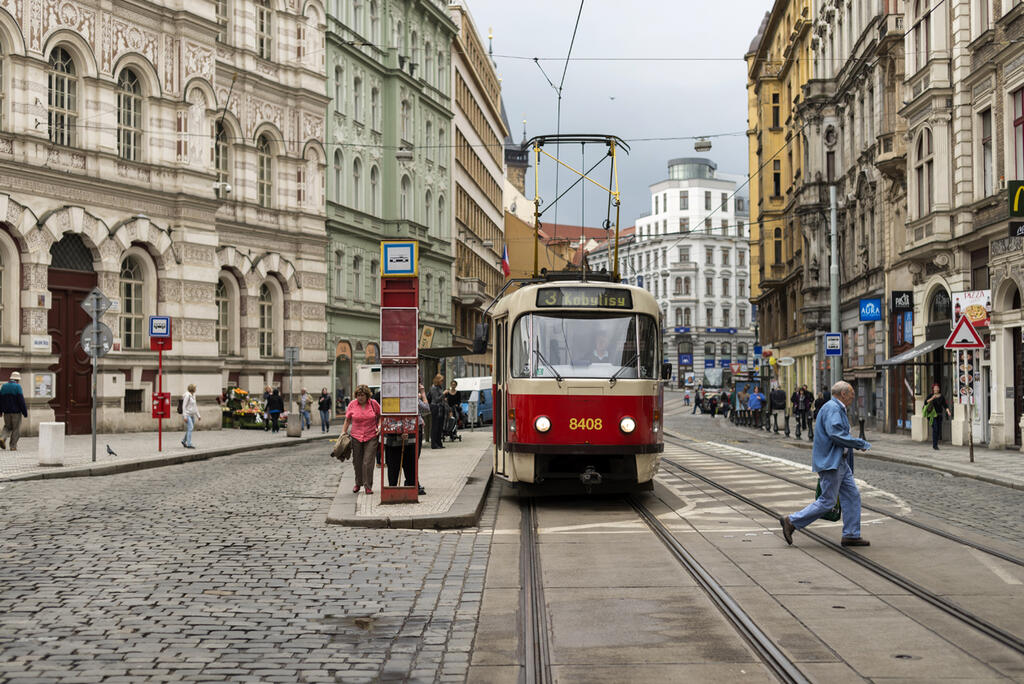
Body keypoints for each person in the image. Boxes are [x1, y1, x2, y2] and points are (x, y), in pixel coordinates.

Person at [780, 381, 872, 547]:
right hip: (832, 463)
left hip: (840, 462)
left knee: (852, 496)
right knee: (828, 501)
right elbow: (836, 434)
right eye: (851, 393)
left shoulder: (835, 408)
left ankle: (851, 534)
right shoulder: (833, 409)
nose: (853, 396)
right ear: (843, 394)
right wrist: (859, 443)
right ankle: (791, 521)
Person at [384, 384, 430, 495]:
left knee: (411, 462)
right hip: (395, 437)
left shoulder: (412, 399)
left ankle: (412, 484)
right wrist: (400, 431)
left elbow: (426, 409)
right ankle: (395, 488)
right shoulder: (390, 401)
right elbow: (388, 418)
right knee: (394, 465)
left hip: (410, 434)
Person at [341, 384, 381, 494]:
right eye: (358, 395)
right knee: (357, 461)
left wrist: (379, 426)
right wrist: (343, 433)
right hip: (356, 436)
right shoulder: (352, 405)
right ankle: (358, 483)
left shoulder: (373, 404)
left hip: (371, 435)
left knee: (367, 461)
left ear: (367, 395)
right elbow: (347, 420)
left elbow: (381, 415)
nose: (360, 397)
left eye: (362, 395)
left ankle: (368, 486)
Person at [0, 371, 28, 451]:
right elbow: (21, 401)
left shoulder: (4, 386)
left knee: (7, 427)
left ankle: (2, 438)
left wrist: (0, 411)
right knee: (16, 429)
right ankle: (13, 446)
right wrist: (24, 412)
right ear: (17, 380)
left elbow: (0, 400)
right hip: (16, 412)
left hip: (6, 412)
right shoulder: (17, 387)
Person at [924, 383, 952, 450]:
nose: (936, 389)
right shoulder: (930, 395)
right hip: (932, 415)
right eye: (935, 388)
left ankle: (935, 443)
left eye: (937, 388)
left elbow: (945, 405)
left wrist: (948, 411)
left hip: (939, 415)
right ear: (933, 389)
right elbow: (925, 402)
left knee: (938, 430)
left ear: (939, 389)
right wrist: (932, 398)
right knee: (935, 429)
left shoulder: (941, 396)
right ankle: (935, 445)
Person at [427, 374, 446, 449]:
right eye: (441, 380)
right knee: (435, 426)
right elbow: (436, 399)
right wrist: (443, 394)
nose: (442, 382)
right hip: (435, 408)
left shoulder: (439, 387)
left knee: (440, 426)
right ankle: (434, 444)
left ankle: (439, 443)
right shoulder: (434, 388)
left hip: (440, 408)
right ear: (437, 380)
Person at [181, 383, 201, 449]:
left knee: (190, 428)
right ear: (192, 388)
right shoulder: (187, 395)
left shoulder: (193, 395)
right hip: (187, 415)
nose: (196, 389)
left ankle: (183, 441)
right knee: (191, 428)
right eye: (195, 388)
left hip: (192, 415)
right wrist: (185, 416)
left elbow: (195, 406)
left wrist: (198, 415)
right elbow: (183, 406)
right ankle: (189, 444)